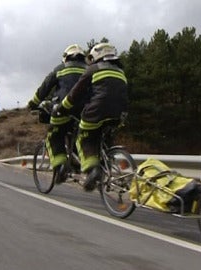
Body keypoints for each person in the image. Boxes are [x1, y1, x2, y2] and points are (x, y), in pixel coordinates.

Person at [53, 43, 128, 191]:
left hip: (97, 111)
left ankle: (93, 170)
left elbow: (75, 94)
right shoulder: (121, 71)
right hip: (120, 113)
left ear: (97, 56)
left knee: (83, 137)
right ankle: (106, 162)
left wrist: (62, 107)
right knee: (101, 137)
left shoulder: (93, 69)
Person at [28, 44, 87, 183]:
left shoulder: (60, 69)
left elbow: (44, 89)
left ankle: (61, 168)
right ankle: (78, 162)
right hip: (86, 110)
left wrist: (32, 104)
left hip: (64, 108)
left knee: (54, 136)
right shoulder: (88, 69)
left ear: (65, 58)